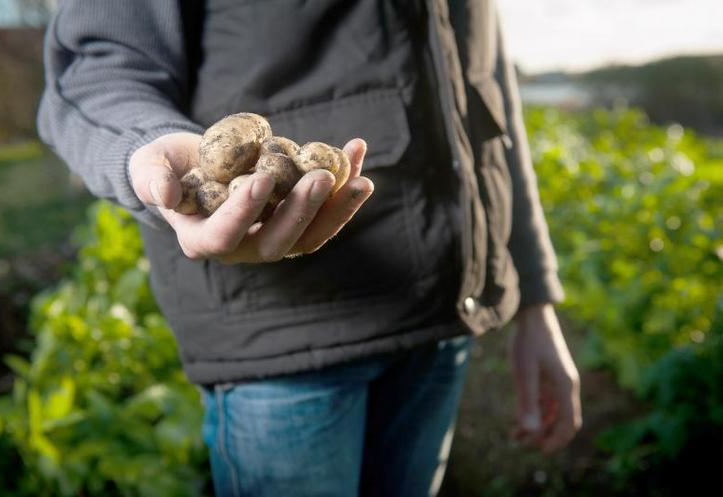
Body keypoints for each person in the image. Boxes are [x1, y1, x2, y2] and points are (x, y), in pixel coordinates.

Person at [38, 0, 582, 495]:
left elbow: (483, 87)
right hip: (283, 340)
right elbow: (96, 70)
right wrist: (146, 152)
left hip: (439, 320)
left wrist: (532, 292)